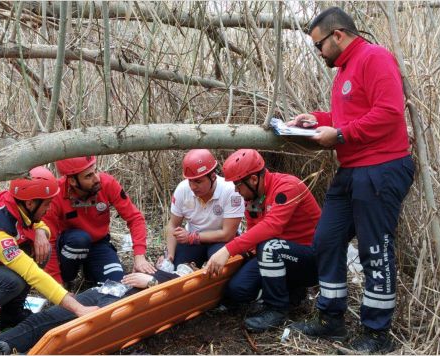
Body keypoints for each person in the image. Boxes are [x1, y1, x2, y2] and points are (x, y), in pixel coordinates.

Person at [287, 7, 415, 354]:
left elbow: (389, 112)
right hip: (352, 170)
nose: (319, 53)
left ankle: (377, 333)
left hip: (382, 168)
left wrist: (340, 135)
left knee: (375, 249)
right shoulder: (344, 69)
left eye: (319, 46)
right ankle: (331, 320)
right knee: (327, 239)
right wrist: (315, 120)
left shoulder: (374, 58)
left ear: (338, 35)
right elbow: (349, 115)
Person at [0, 167, 97, 342]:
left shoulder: (14, 203)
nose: (49, 209)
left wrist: (41, 233)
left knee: (38, 250)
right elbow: (32, 273)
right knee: (14, 280)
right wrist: (78, 308)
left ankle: (11, 314)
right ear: (30, 203)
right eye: (46, 204)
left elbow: (37, 224)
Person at [0, 264, 198, 355]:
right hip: (104, 293)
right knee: (42, 320)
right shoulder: (166, 263)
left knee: (61, 332)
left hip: (125, 303)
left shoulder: (182, 277)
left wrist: (150, 281)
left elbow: (182, 295)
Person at [205, 149, 321, 332]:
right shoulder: (252, 196)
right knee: (238, 290)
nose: (236, 190)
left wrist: (227, 249)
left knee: (269, 247)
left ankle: (276, 308)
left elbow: (271, 226)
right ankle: (290, 291)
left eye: (238, 185)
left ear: (253, 179)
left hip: (310, 259)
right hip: (277, 255)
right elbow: (253, 230)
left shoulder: (287, 187)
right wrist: (242, 252)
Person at [43, 156, 155, 290]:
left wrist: (139, 256)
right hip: (70, 246)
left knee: (117, 286)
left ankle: (91, 273)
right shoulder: (57, 194)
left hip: (98, 245)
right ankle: (67, 278)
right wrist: (56, 284)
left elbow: (135, 218)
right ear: (72, 181)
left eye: (95, 171)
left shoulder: (107, 183)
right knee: (80, 240)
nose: (97, 178)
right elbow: (49, 241)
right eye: (88, 176)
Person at [165, 149, 244, 267]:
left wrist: (191, 237)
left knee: (221, 267)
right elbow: (173, 225)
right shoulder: (182, 190)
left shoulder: (230, 191)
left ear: (213, 177)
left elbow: (228, 234)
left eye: (198, 181)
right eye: (190, 181)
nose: (193, 186)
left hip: (221, 240)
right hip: (192, 240)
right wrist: (170, 256)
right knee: (178, 267)